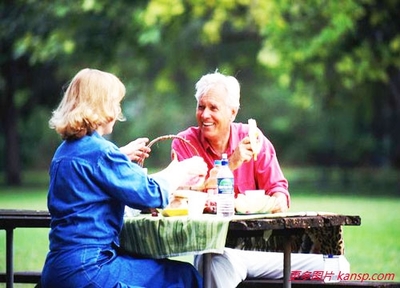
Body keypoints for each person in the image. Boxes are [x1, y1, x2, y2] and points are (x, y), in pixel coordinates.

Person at [171, 71, 350, 287]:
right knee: (216, 266)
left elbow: (281, 196)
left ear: (233, 113)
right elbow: (181, 197)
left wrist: (261, 204)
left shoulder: (254, 141)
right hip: (214, 249)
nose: (205, 114)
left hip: (259, 253)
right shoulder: (185, 143)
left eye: (213, 108)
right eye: (201, 107)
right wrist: (232, 164)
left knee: (337, 267)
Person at [41, 68, 208, 288]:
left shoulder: (63, 152)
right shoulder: (101, 152)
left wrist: (119, 156)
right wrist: (183, 168)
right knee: (184, 276)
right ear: (101, 106)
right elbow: (150, 194)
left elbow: (92, 179)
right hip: (90, 269)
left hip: (57, 269)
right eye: (115, 102)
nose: (118, 110)